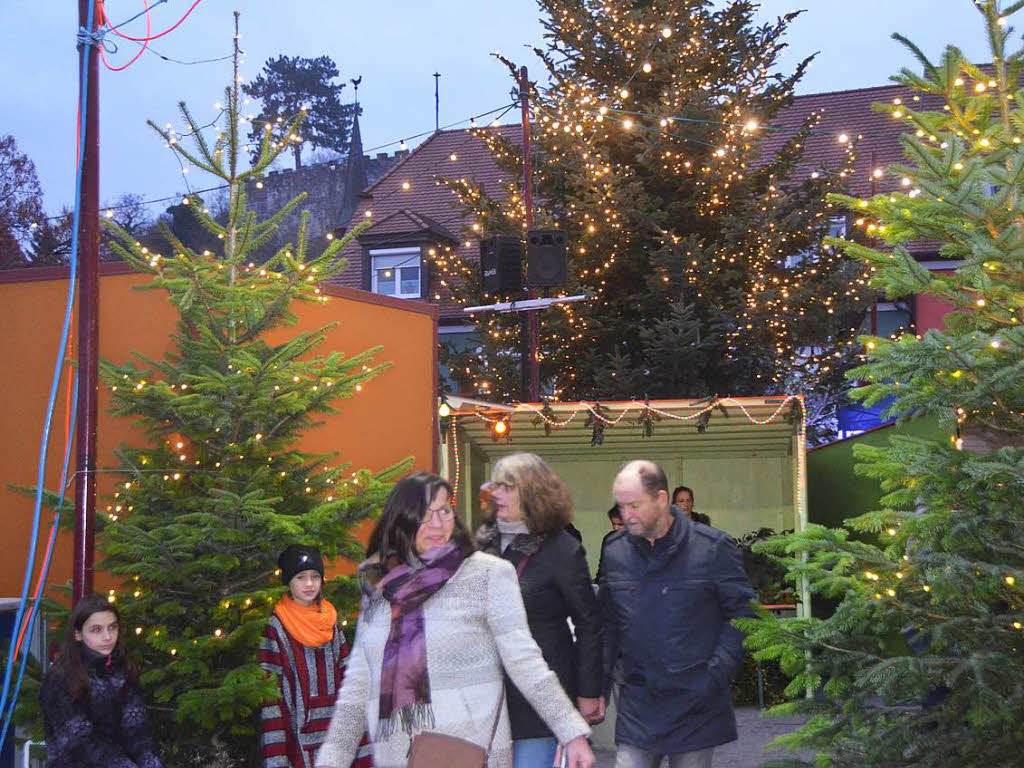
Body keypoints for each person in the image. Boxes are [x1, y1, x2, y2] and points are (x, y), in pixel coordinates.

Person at [315, 472, 596, 768]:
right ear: (402, 521)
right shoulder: (379, 585)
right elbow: (359, 683)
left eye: (445, 511)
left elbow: (524, 661)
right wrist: (332, 759)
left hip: (468, 751)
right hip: (396, 755)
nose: (438, 525)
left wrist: (571, 733)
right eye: (425, 516)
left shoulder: (487, 575)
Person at [601, 461, 754, 768]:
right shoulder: (615, 551)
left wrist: (716, 673)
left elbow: (743, 615)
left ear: (661, 499)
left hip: (696, 702)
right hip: (638, 703)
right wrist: (600, 684)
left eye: (634, 505)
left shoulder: (712, 548)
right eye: (621, 506)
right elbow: (608, 622)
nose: (625, 515)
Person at [477, 453, 604, 768]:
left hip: (539, 700)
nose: (496, 494)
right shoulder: (483, 543)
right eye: (495, 486)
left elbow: (589, 624)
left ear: (532, 494)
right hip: (487, 699)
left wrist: (588, 691)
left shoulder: (561, 549)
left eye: (507, 488)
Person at [260, 545, 372, 768]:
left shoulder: (330, 621)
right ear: (288, 581)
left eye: (315, 577)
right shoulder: (276, 627)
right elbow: (270, 698)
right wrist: (277, 759)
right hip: (298, 745)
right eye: (301, 577)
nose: (309, 584)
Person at [39, 594, 163, 768]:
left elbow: (136, 729)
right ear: (78, 634)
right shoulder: (59, 677)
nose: (107, 637)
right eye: (96, 630)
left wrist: (151, 763)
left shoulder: (124, 669)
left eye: (112, 628)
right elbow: (78, 740)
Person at [594, 505, 624, 585]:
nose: (615, 528)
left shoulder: (641, 540)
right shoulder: (609, 538)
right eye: (613, 524)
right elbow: (602, 567)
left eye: (620, 524)